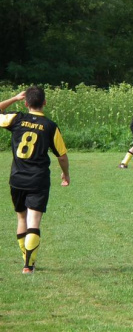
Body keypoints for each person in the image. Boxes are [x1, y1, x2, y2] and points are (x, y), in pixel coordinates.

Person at [0, 86, 70, 274]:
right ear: (44, 103)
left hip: (17, 179)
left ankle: (26, 259)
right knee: (34, 222)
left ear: (26, 103)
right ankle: (28, 266)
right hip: (38, 180)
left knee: (21, 217)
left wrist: (14, 98)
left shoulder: (16, 119)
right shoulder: (50, 126)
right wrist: (66, 173)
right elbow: (61, 156)